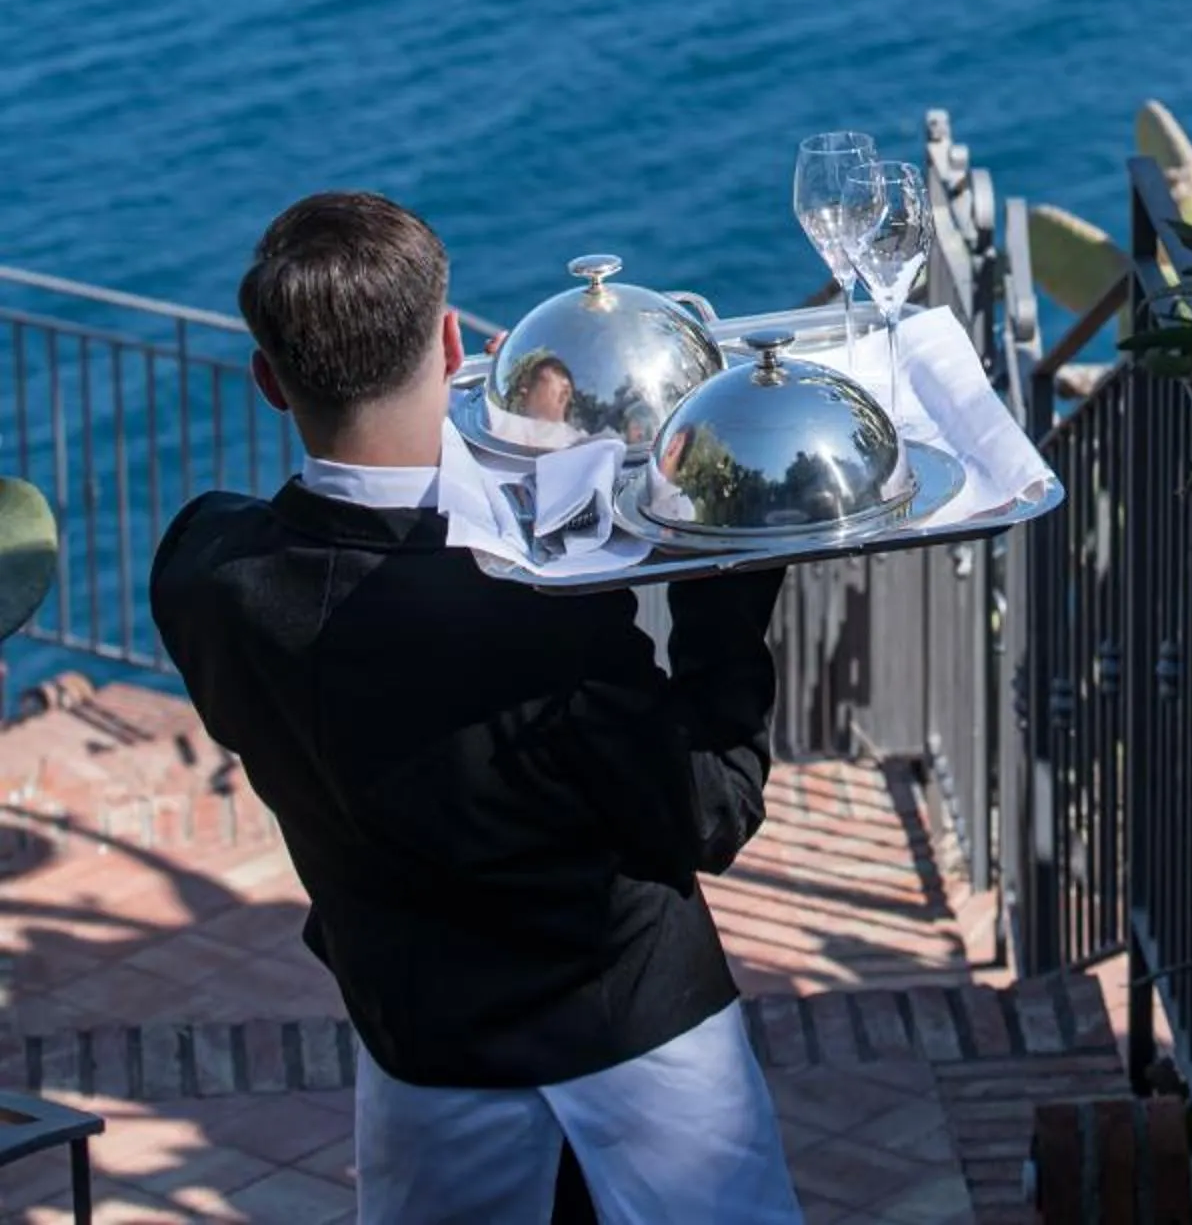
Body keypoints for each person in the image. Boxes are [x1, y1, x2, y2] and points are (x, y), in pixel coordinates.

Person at [151, 190, 803, 1225]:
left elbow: (374, 576)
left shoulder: (206, 576)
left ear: (269, 381)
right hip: (638, 1043)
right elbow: (712, 809)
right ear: (453, 344)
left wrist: (522, 460)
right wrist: (728, 566)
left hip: (423, 1053)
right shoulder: (543, 622)